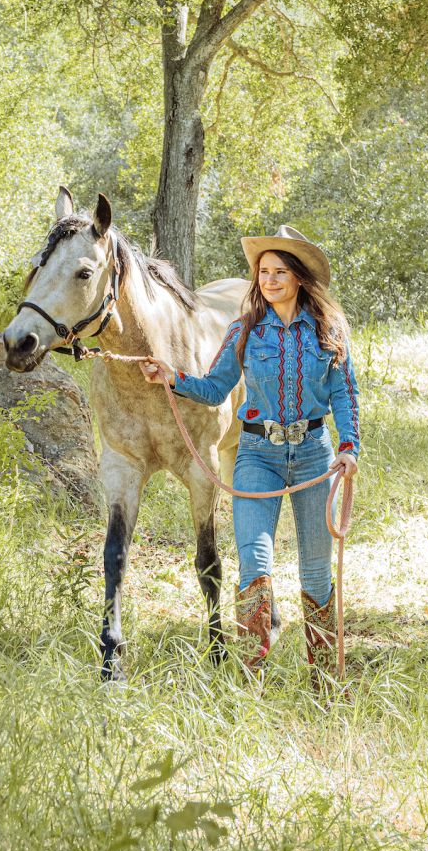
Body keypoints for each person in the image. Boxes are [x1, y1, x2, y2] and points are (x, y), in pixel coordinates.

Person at [140, 226, 361, 680]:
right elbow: (217, 387)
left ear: (299, 277)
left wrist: (348, 448)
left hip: (316, 456)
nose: (270, 280)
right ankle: (250, 682)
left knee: (316, 573)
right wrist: (172, 377)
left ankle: (324, 681)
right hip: (257, 454)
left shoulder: (327, 328)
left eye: (281, 272)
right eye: (264, 272)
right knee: (254, 565)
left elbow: (344, 393)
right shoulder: (244, 329)